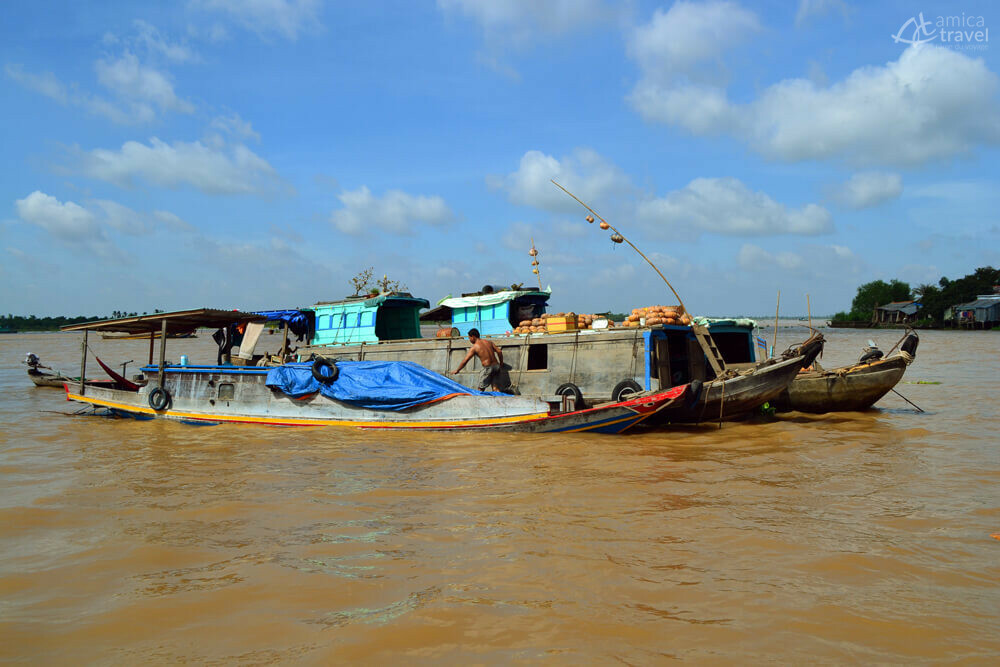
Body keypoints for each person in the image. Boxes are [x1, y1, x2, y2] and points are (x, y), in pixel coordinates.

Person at [452, 328, 513, 393]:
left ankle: (478, 401)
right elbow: (499, 351)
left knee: (480, 389)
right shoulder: (489, 342)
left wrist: (457, 370)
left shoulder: (475, 347)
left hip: (488, 368)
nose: (469, 340)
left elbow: (465, 360)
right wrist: (501, 363)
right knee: (495, 388)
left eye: (469, 338)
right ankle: (498, 401)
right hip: (496, 366)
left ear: (473, 337)